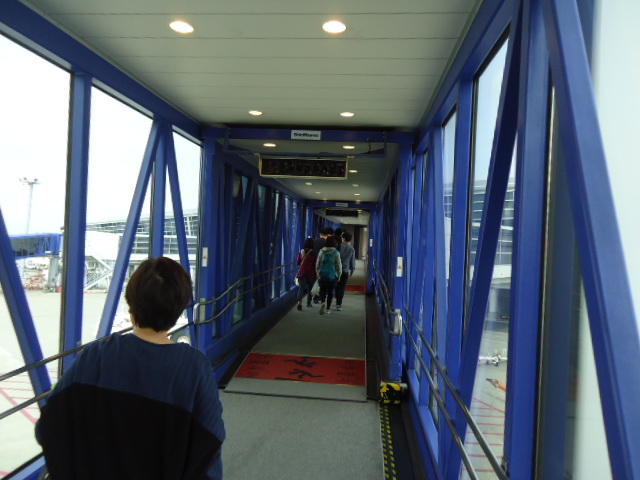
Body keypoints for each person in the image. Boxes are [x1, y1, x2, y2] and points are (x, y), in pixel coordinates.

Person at [35, 257, 225, 480]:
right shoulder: (194, 368)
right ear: (179, 308)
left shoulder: (95, 356)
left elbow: (48, 427)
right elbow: (209, 447)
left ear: (131, 304)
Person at [315, 235, 342, 315]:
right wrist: (339, 275)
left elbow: (317, 264)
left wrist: (317, 273)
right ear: (335, 243)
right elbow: (339, 265)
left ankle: (322, 303)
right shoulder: (336, 253)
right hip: (332, 276)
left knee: (322, 290)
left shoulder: (321, 251)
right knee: (330, 292)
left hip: (322, 275)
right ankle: (328, 309)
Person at [335, 231, 356, 311]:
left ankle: (336, 298)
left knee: (336, 286)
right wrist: (352, 270)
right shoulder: (352, 249)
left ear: (343, 238)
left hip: (336, 270)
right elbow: (352, 262)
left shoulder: (338, 246)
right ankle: (339, 304)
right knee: (342, 287)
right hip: (345, 271)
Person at [296, 237, 317, 310]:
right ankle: (308, 303)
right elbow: (315, 264)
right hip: (311, 274)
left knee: (301, 288)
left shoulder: (301, 251)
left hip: (302, 273)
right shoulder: (314, 253)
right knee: (310, 289)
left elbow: (298, 262)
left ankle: (299, 303)